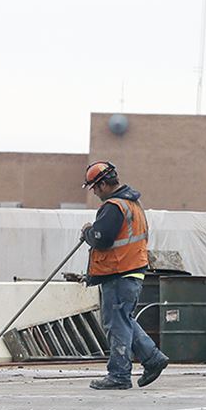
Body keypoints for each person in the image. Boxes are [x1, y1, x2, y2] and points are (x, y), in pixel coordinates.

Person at [80, 161, 169, 389]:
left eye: (94, 188)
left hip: (119, 272)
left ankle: (119, 376)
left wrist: (89, 232)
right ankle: (153, 358)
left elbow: (102, 238)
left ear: (101, 185)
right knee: (123, 320)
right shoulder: (133, 205)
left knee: (117, 324)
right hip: (132, 271)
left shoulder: (114, 207)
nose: (95, 193)